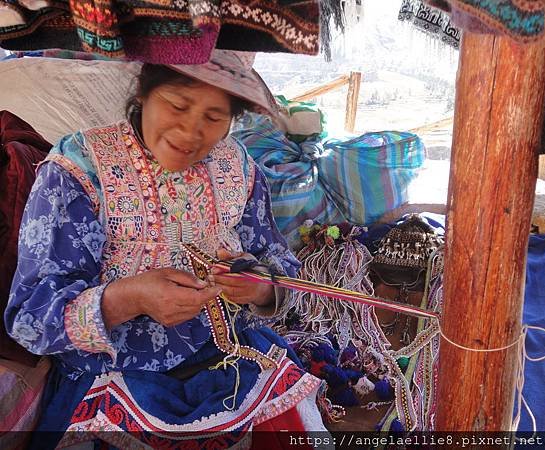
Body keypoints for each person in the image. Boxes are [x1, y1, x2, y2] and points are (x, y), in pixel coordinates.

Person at [5, 50, 326, 448]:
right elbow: (31, 318)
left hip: (230, 360)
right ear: (143, 92)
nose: (191, 132)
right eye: (177, 105)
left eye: (213, 118)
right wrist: (129, 296)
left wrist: (259, 286)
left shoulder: (238, 167)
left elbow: (279, 265)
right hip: (115, 377)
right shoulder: (79, 170)